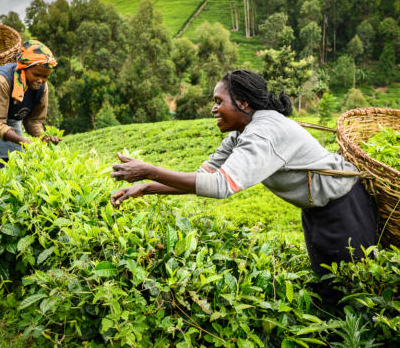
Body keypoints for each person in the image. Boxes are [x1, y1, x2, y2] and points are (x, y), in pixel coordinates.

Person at [110, 69, 378, 286]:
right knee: (328, 287)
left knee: (353, 290)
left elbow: (221, 186)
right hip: (315, 210)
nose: (214, 109)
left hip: (343, 207)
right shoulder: (240, 134)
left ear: (243, 102)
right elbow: (204, 176)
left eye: (219, 102)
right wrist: (145, 187)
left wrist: (148, 170)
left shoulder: (263, 132)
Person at [0, 40, 60, 174]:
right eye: (36, 75)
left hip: (10, 106)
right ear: (23, 68)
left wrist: (43, 138)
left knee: (16, 150)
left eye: (45, 77)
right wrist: (23, 140)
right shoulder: (1, 80)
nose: (40, 80)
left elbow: (33, 121)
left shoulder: (42, 88)